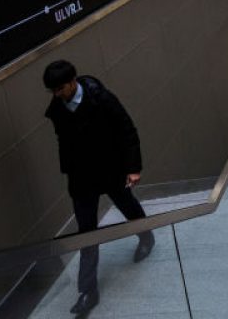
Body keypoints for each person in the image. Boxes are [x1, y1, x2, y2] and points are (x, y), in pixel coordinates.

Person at [43, 60, 154, 315]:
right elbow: (64, 141)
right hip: (81, 178)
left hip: (109, 168)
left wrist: (133, 167)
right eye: (53, 91)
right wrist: (68, 169)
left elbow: (126, 129)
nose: (57, 94)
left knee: (128, 205)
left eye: (60, 89)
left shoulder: (101, 98)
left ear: (72, 82)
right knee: (87, 234)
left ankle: (146, 235)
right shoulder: (58, 108)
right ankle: (88, 291)